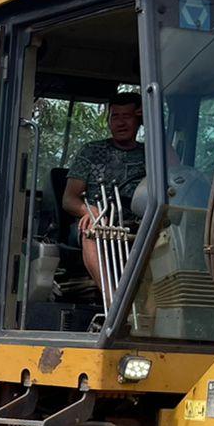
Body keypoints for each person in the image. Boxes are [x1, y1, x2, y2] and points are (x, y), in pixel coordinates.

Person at [62, 91, 146, 292]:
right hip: (98, 219)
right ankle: (112, 300)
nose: (120, 123)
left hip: (139, 223)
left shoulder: (152, 153)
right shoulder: (91, 151)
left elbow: (176, 180)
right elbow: (69, 199)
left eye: (127, 116)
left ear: (139, 119)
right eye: (115, 116)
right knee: (93, 230)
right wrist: (92, 212)